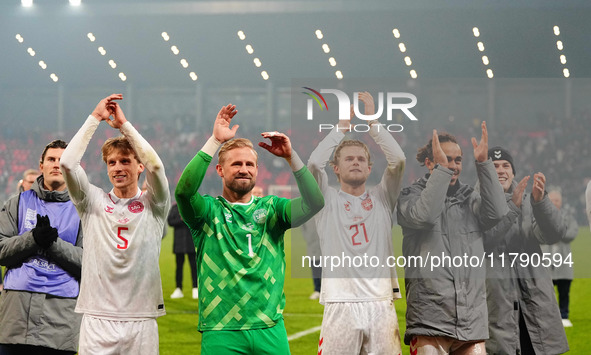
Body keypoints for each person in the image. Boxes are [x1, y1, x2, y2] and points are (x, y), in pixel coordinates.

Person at [175, 103, 324, 355]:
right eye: (235, 164)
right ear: (220, 170)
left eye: (249, 164)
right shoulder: (207, 213)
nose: (244, 169)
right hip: (221, 330)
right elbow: (183, 192)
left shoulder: (273, 209)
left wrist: (291, 157)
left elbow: (315, 202)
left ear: (257, 170)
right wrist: (214, 141)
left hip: (270, 328)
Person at [60, 94, 170, 354]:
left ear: (139, 165)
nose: (118, 168)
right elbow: (67, 162)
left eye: (125, 161)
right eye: (112, 162)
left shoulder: (154, 204)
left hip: (141, 318)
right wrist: (95, 118)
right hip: (97, 318)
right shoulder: (91, 201)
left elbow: (156, 166)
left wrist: (125, 126)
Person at [307, 92, 405, 355]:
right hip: (340, 302)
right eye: (348, 159)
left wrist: (373, 123)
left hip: (380, 303)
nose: (356, 162)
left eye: (361, 159)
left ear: (370, 168)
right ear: (335, 168)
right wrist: (340, 129)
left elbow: (398, 160)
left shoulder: (383, 197)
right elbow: (315, 163)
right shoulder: (325, 200)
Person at [397, 123, 507, 354]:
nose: (454, 166)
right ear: (429, 164)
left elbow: (497, 213)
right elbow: (425, 216)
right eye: (446, 159)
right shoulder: (410, 196)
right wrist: (442, 171)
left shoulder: (471, 198)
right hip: (430, 320)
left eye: (457, 160)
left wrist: (484, 164)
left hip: (471, 321)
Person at [0, 140, 83, 355]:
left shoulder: (85, 211)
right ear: (41, 165)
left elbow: (90, 263)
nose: (56, 165)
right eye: (51, 159)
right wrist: (33, 238)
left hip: (60, 320)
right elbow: (0, 250)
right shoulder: (16, 203)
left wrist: (53, 244)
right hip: (15, 318)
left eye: (63, 161)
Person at [483, 146, 568, 354]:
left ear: (513, 172)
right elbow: (483, 240)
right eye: (494, 166)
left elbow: (553, 234)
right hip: (496, 309)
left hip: (535, 306)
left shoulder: (531, 203)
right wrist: (512, 208)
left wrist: (541, 203)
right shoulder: (475, 202)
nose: (501, 170)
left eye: (505, 166)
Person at [540, 189, 578, 328]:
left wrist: (555, 232)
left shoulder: (568, 217)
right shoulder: (540, 215)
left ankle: (564, 316)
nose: (555, 203)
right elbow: (538, 234)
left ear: (561, 202)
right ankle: (548, 317)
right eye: (552, 200)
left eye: (557, 200)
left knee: (564, 291)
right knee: (545, 292)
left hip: (563, 261)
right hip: (545, 261)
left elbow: (572, 233)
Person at [168, 202, 198, 299]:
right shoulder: (175, 207)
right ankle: (178, 288)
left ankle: (195, 288)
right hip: (179, 241)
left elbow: (197, 220)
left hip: (191, 241)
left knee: (194, 266)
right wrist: (181, 219)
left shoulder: (192, 205)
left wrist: (187, 218)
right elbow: (170, 222)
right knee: (179, 267)